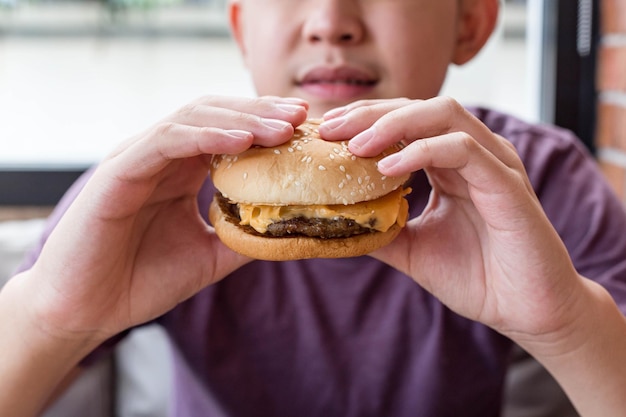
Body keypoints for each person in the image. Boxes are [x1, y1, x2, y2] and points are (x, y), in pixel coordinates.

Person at [2, 0, 626, 415]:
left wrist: (567, 325)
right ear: (242, 27)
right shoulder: (152, 186)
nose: (331, 21)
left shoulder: (531, 180)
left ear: (471, 24)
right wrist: (52, 323)